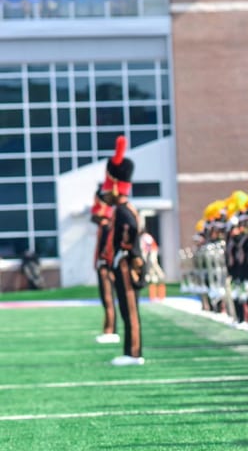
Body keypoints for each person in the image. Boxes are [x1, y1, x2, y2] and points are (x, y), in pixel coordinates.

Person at [101, 136, 145, 366]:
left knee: (130, 311)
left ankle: (134, 353)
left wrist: (122, 253)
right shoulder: (122, 208)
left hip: (127, 264)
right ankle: (130, 351)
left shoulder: (124, 211)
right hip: (123, 264)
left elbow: (129, 234)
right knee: (127, 311)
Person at [91, 186, 119, 344]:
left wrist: (106, 265)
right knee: (105, 299)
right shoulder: (104, 225)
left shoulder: (109, 224)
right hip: (103, 265)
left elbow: (109, 248)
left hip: (107, 266)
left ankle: (110, 330)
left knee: (108, 299)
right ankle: (108, 329)